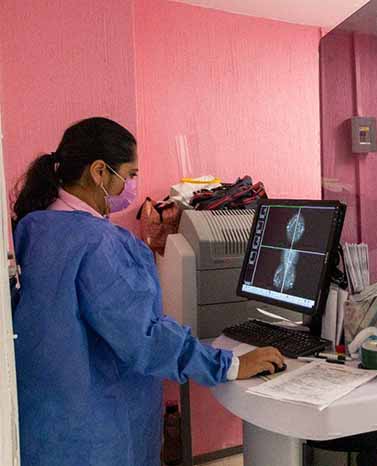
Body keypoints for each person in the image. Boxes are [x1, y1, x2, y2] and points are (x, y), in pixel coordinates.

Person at [11, 117, 284, 466]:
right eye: (130, 174)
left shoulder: (33, 227)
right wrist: (229, 365)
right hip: (97, 431)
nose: (132, 185)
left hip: (47, 424)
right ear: (99, 172)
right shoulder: (99, 243)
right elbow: (143, 336)